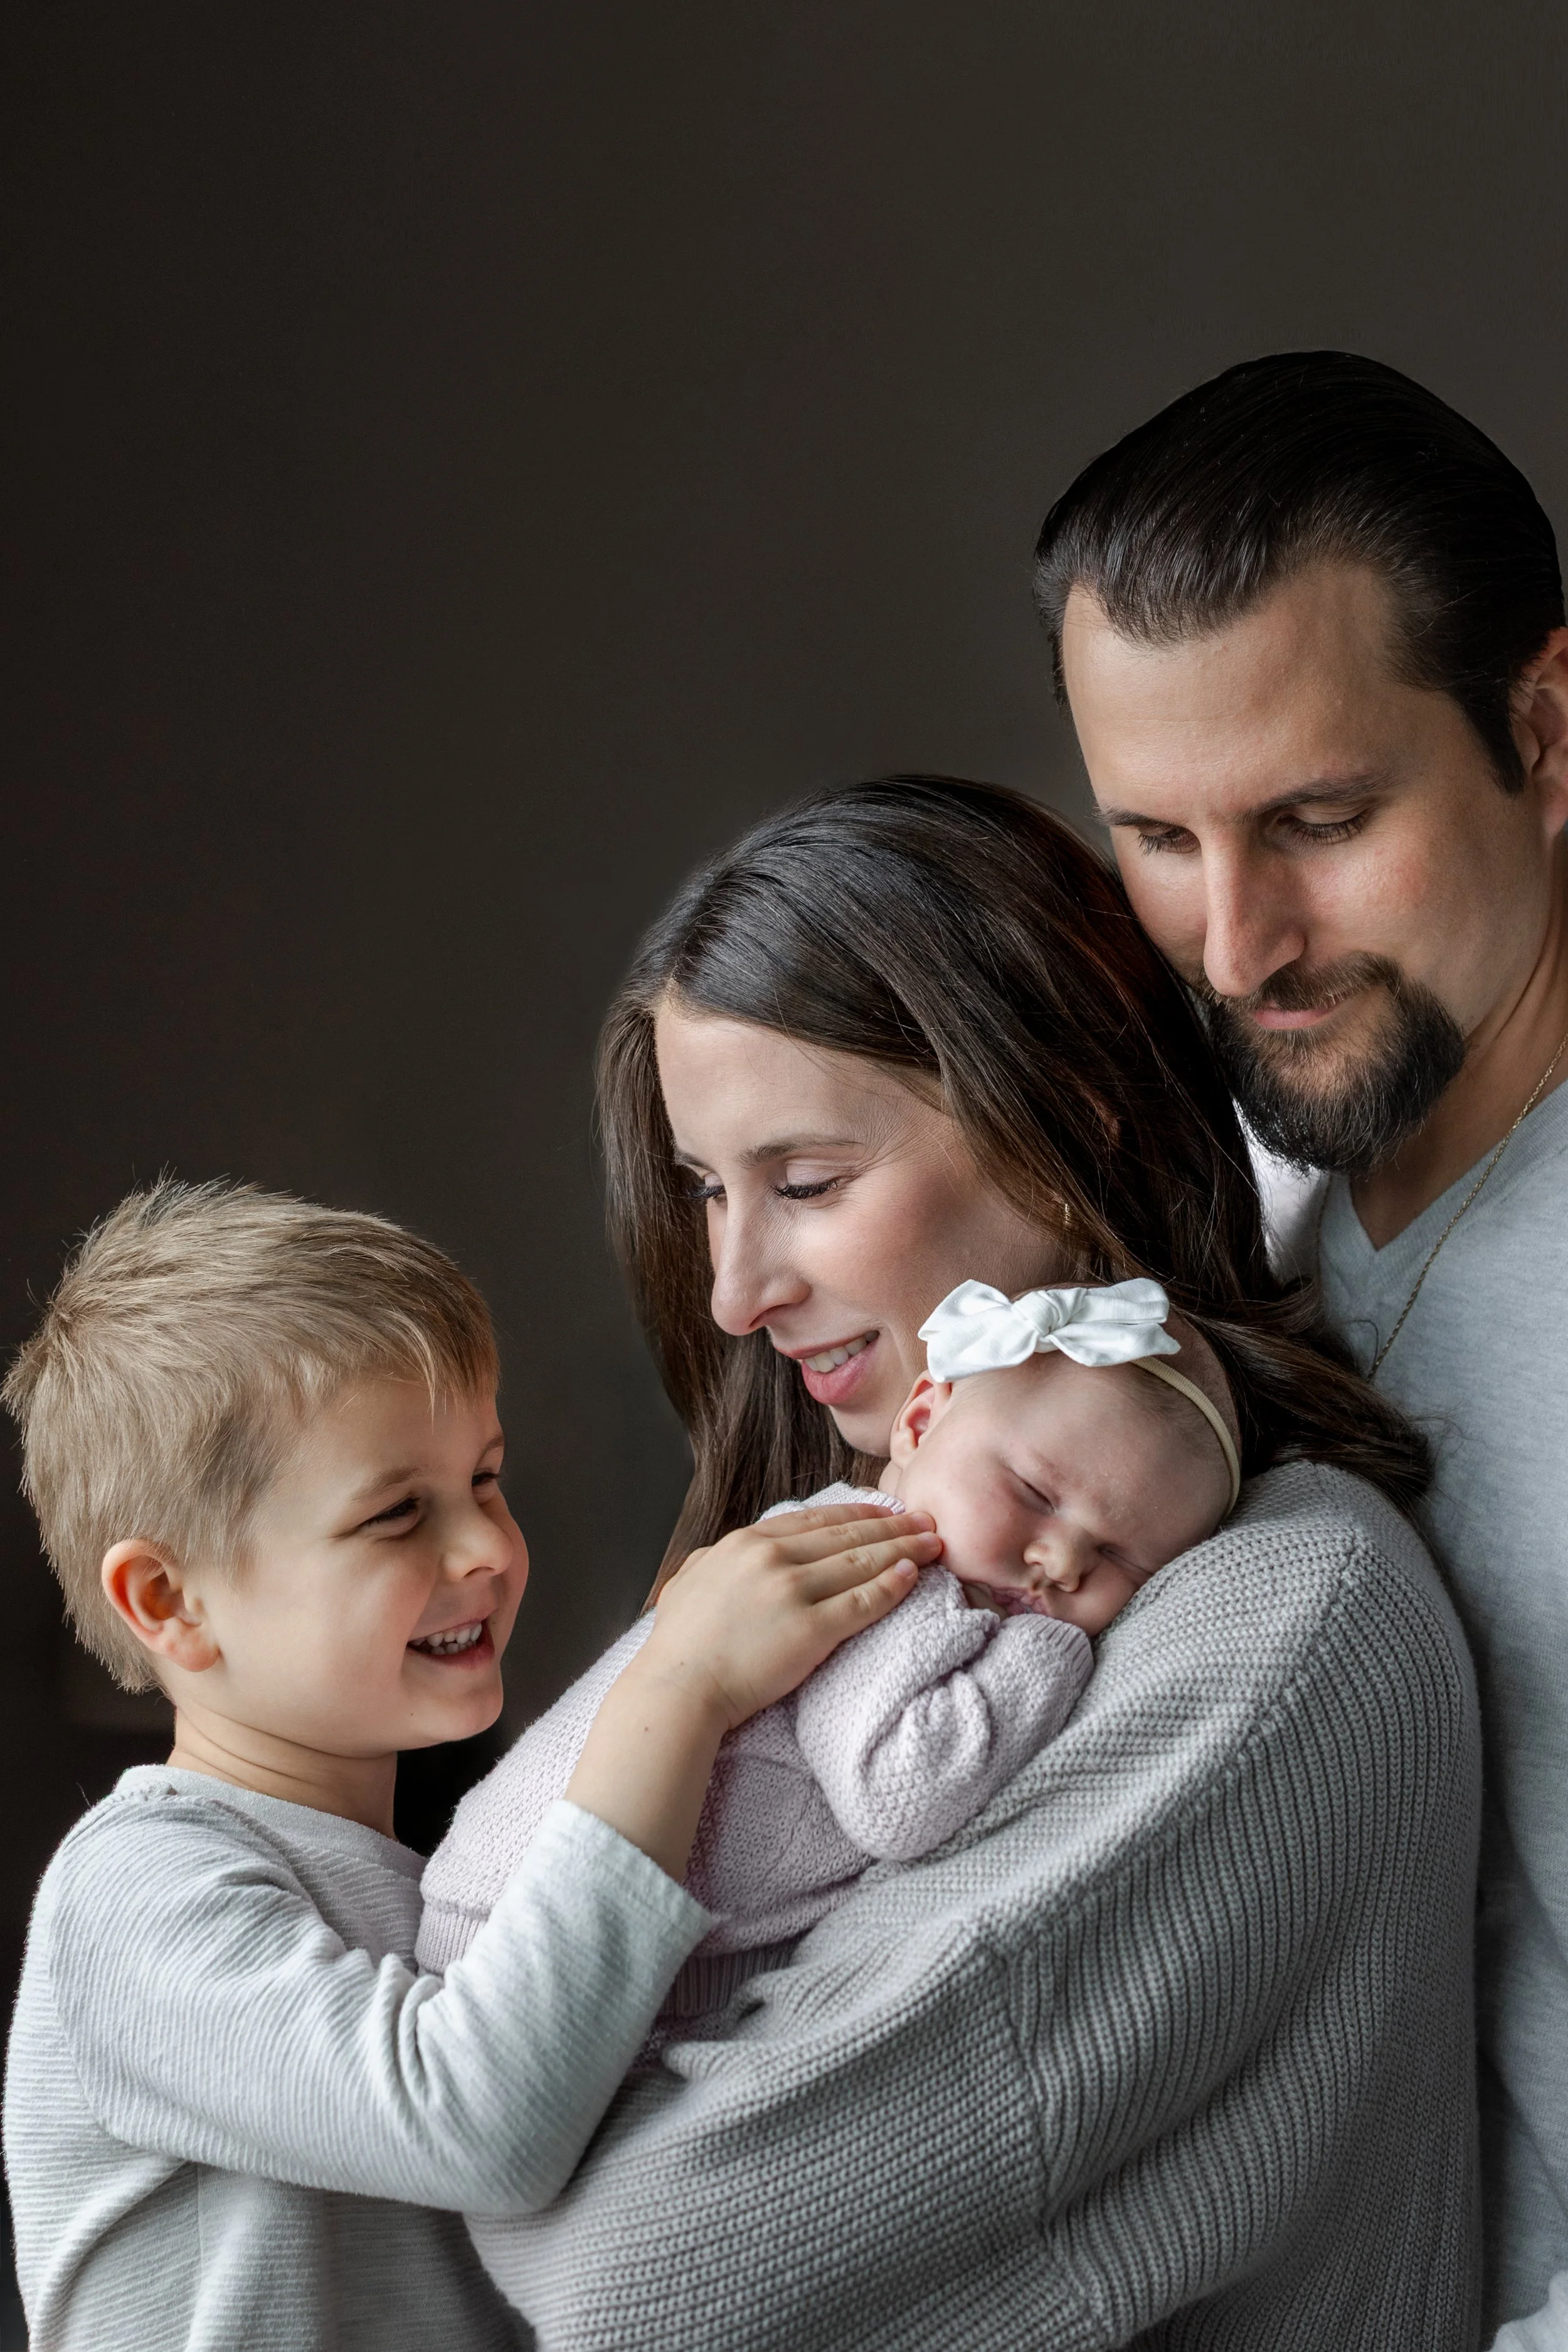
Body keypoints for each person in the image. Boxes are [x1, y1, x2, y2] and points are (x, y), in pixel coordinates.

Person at [430, 776, 1481, 2349]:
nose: (730, 1290)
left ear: (1064, 1137)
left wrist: (492, 2115)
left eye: (805, 1184)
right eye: (705, 1191)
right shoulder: (887, 1563)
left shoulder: (1277, 1617)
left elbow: (637, 2271)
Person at [1, 1179, 934, 2352]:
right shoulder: (131, 1893)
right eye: (398, 1514)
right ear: (170, 1600)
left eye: (485, 1478)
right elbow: (480, 2121)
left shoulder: (443, 1883)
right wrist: (680, 1687)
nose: (489, 1544)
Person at [1033, 350, 1568, 2344]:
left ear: (1544, 724)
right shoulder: (1224, 1180)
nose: (1237, 945)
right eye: (1156, 838)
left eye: (1318, 819)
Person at [420, 1278, 1239, 2018]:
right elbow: (904, 1791)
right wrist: (1054, 1652)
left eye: (1120, 1557)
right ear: (919, 1422)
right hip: (526, 1919)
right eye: (1033, 1493)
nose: (1062, 1561)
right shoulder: (884, 1571)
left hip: (622, 1926)